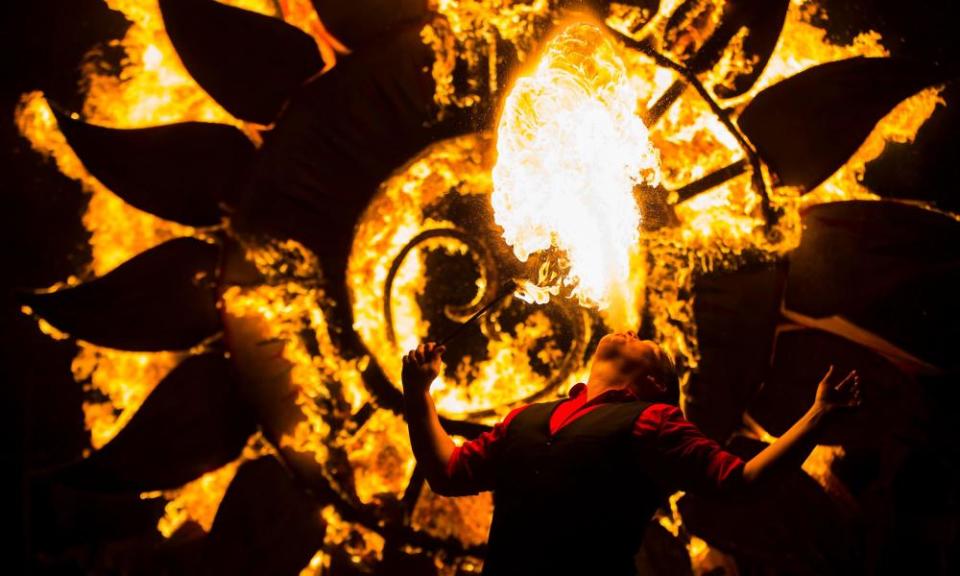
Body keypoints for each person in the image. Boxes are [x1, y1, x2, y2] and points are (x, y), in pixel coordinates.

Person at [401, 331, 862, 575]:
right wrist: (418, 394)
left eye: (650, 345)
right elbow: (446, 472)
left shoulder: (654, 421)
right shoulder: (524, 417)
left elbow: (741, 482)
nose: (631, 330)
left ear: (654, 384)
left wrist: (817, 415)